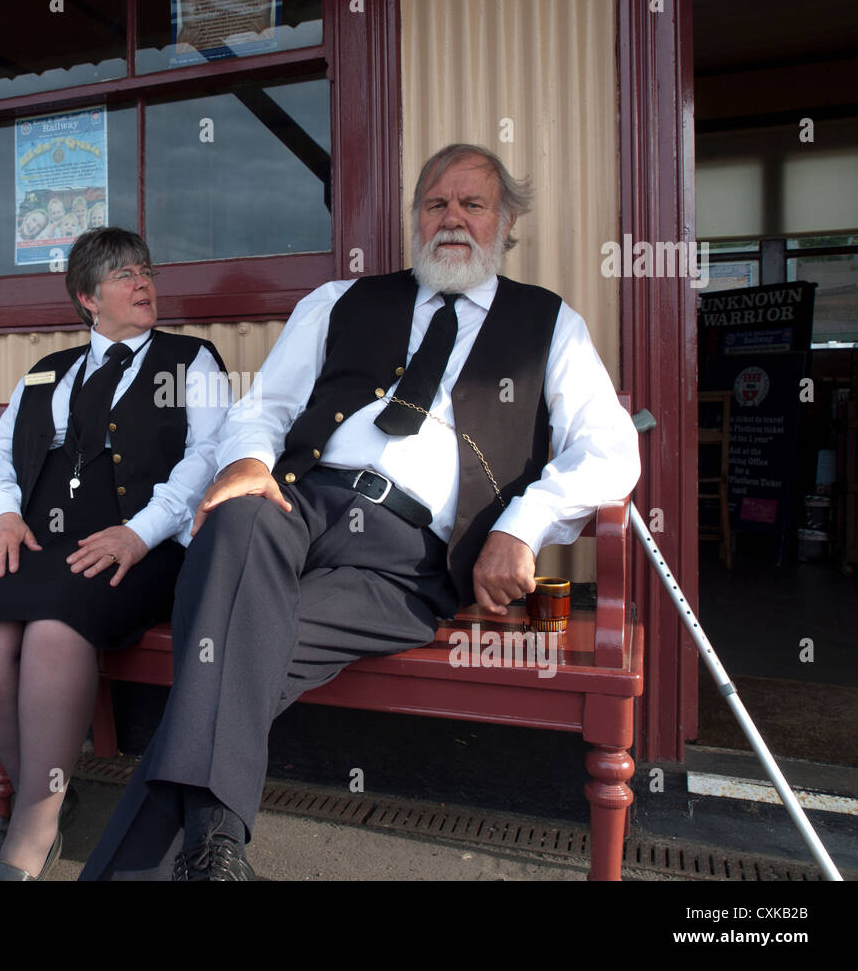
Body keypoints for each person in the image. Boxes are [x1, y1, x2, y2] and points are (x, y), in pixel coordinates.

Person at [79, 143, 642, 880]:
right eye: (435, 203)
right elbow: (265, 406)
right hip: (299, 503)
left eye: (472, 204)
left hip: (407, 561)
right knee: (239, 514)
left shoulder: (549, 324)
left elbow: (611, 450)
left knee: (229, 657)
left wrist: (521, 525)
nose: (451, 219)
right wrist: (248, 458)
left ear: (505, 225)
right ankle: (216, 853)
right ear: (415, 219)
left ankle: (207, 845)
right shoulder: (338, 300)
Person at [0, 227, 230, 881]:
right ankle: (47, 784)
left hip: (141, 548)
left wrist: (141, 530)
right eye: (124, 274)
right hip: (42, 541)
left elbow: (209, 456)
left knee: (53, 630)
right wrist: (5, 516)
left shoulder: (194, 360)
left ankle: (34, 827)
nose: (143, 282)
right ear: (87, 297)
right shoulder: (47, 370)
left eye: (146, 270)